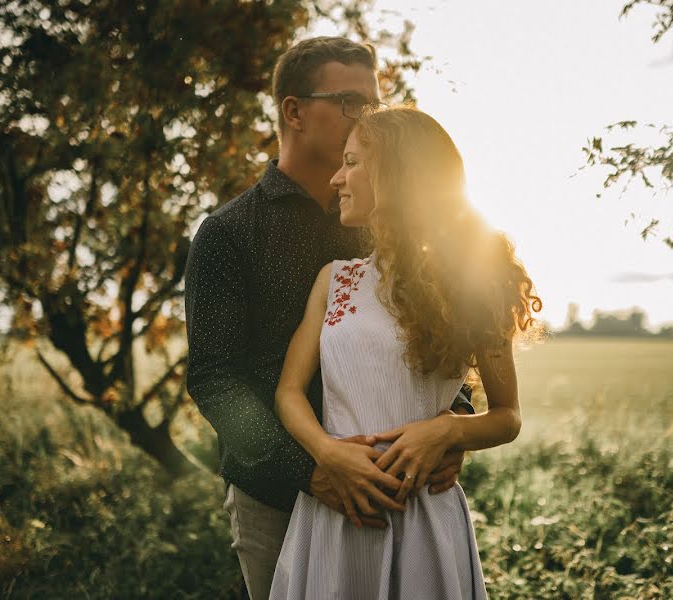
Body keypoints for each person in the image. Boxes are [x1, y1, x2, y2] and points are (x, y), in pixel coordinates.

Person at [183, 37, 475, 600]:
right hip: (276, 497)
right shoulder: (228, 234)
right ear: (293, 111)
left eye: (374, 103)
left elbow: (439, 331)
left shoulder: (387, 221)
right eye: (350, 103)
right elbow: (216, 379)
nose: (368, 118)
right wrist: (311, 469)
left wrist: (448, 426)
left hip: (401, 490)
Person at [269, 106, 543, 599]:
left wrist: (447, 430)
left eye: (351, 162)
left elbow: (508, 416)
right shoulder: (335, 280)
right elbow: (289, 391)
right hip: (337, 512)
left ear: (395, 174)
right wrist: (327, 452)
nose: (336, 178)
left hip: (424, 519)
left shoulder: (476, 283)